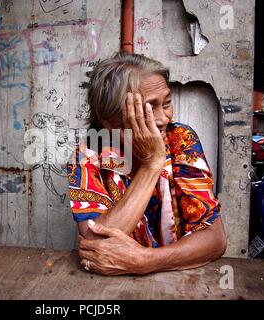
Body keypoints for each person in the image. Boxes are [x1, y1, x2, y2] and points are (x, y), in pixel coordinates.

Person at [67, 52, 227, 276]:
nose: (164, 118)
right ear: (110, 121)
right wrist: (151, 165)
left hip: (178, 280)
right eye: (150, 108)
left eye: (167, 103)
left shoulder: (180, 139)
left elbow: (214, 239)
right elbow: (97, 244)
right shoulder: (89, 156)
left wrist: (146, 261)